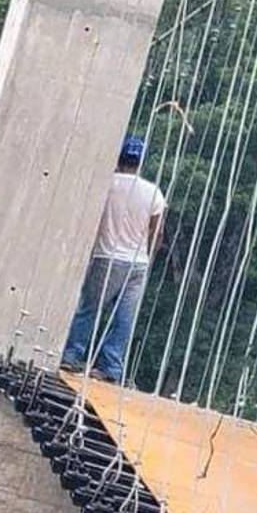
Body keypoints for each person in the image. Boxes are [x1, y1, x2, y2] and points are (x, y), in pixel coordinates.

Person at [61, 135, 165, 383]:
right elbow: (157, 231)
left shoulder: (106, 184)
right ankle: (110, 368)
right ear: (140, 162)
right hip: (137, 263)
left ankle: (73, 356)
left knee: (89, 310)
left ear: (118, 157)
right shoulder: (153, 192)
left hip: (106, 257)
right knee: (124, 318)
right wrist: (148, 259)